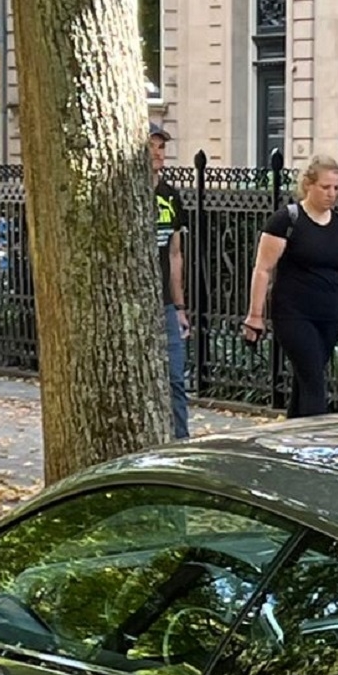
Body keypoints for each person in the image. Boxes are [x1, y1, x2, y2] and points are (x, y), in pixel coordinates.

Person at [242, 152, 338, 417]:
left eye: (336, 188)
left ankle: (293, 438)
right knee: (314, 382)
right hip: (293, 314)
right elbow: (263, 270)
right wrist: (255, 316)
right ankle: (314, 442)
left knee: (307, 379)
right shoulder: (286, 221)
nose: (332, 194)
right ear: (308, 185)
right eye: (325, 187)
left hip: (328, 316)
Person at [147, 120, 191, 441]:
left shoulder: (169, 196)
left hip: (164, 303)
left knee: (176, 377)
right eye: (151, 147)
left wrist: (179, 306)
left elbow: (175, 254)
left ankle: (181, 443)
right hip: (135, 303)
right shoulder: (125, 196)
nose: (158, 153)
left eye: (161, 147)